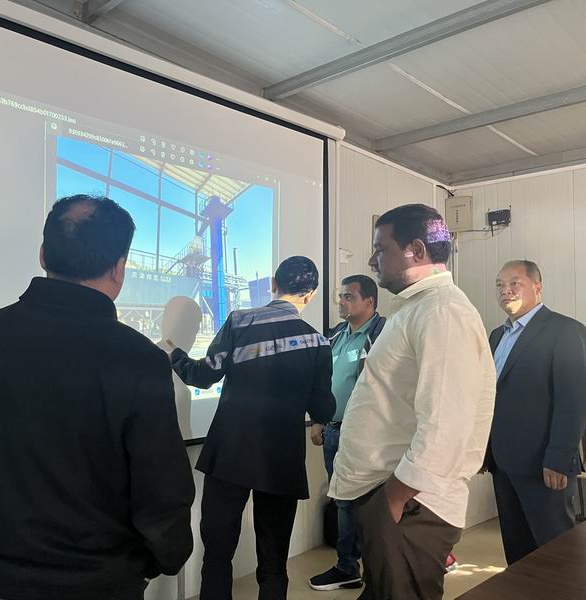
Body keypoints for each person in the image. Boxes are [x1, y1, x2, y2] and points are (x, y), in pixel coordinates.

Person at [0, 195, 195, 600]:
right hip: (103, 582)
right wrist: (156, 560)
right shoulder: (139, 359)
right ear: (119, 268)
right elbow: (162, 491)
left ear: (43, 254)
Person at [330, 204, 496, 600]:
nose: (372, 260)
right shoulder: (418, 308)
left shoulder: (442, 312)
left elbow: (447, 421)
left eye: (380, 249)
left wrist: (394, 498)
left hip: (410, 505)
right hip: (398, 500)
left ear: (416, 250)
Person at [169, 256, 335, 600]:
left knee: (217, 552)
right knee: (274, 559)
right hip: (281, 460)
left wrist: (176, 356)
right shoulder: (318, 342)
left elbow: (204, 375)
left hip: (230, 454)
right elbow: (322, 405)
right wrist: (319, 418)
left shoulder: (240, 321)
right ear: (311, 294)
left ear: (274, 284)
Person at [486, 260, 586, 565]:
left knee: (555, 549)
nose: (505, 290)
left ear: (537, 287)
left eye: (514, 283)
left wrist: (559, 458)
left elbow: (573, 401)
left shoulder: (565, 331)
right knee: (517, 549)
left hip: (544, 464)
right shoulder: (497, 336)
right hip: (503, 462)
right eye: (499, 285)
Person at [309, 275, 385, 592]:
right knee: (342, 500)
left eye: (349, 297)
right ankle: (348, 567)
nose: (342, 302)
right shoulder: (337, 334)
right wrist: (319, 419)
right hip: (333, 431)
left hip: (367, 434)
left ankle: (379, 567)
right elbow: (325, 380)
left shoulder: (383, 334)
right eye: (340, 296)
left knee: (370, 502)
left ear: (370, 301)